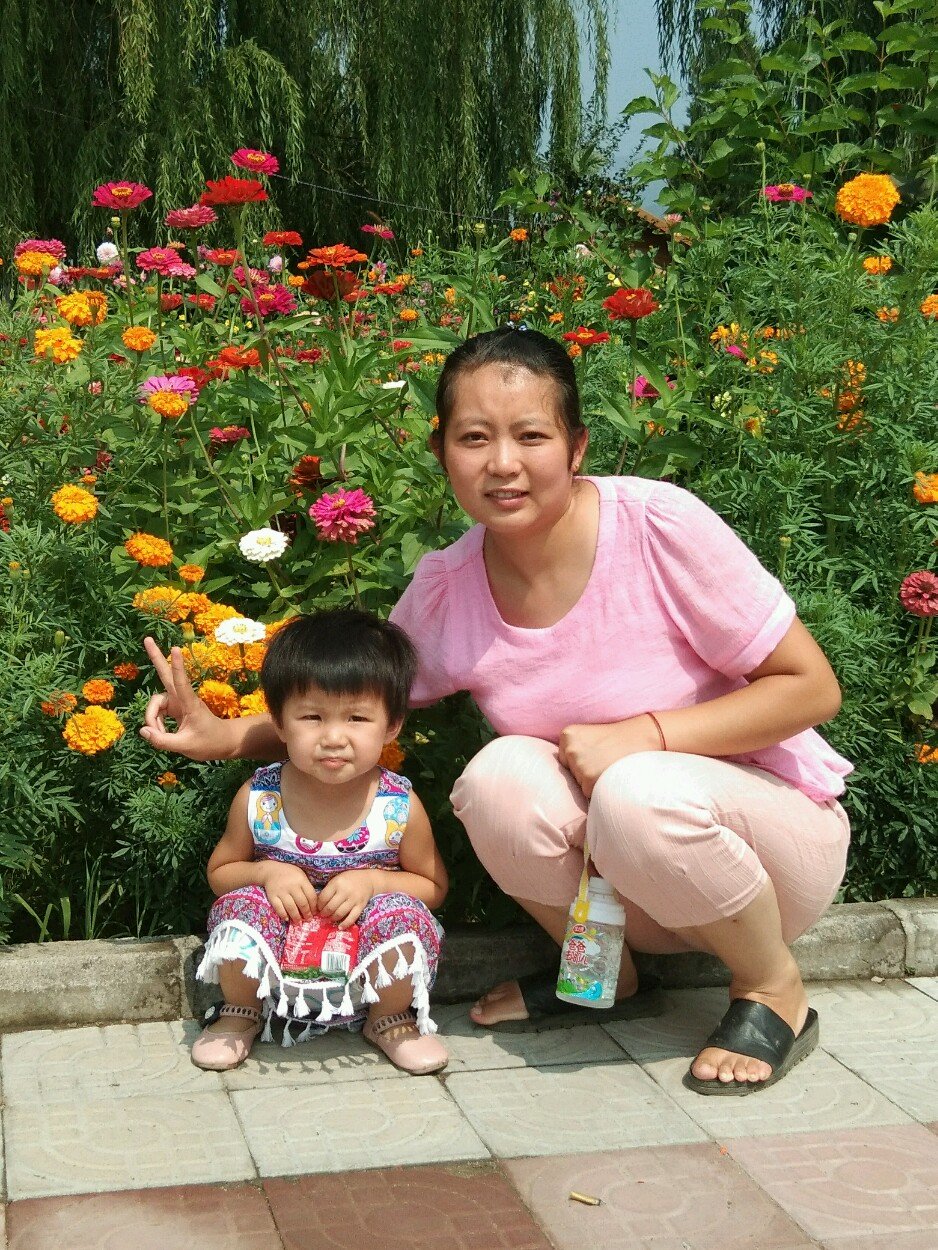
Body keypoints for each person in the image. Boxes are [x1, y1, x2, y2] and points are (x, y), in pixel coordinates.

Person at [142, 327, 852, 1097]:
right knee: (498, 778)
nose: (503, 463)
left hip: (771, 852)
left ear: (577, 446)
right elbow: (353, 711)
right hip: (636, 878)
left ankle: (772, 986)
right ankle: (603, 975)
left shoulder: (657, 525)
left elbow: (811, 687)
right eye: (474, 438)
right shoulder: (449, 588)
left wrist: (645, 736)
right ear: (441, 451)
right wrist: (223, 736)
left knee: (636, 786)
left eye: (531, 436)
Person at [187, 608, 449, 1076]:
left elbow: (432, 886)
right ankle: (240, 1013)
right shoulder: (261, 797)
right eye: (311, 716)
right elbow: (220, 873)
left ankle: (390, 1018)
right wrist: (266, 872)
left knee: (404, 911)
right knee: (240, 904)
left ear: (392, 725)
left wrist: (374, 883)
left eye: (357, 717)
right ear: (279, 722)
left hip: (367, 966)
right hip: (276, 967)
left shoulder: (397, 806)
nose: (333, 738)